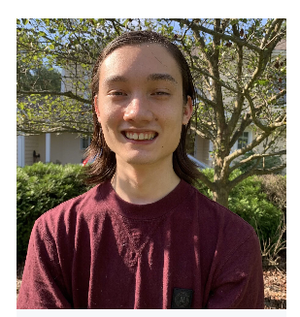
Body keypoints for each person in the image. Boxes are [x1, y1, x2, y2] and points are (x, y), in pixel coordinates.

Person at [17, 31, 264, 309]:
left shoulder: (231, 242)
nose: (137, 112)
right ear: (98, 109)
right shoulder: (56, 235)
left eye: (159, 92)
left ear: (186, 109)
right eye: (119, 93)